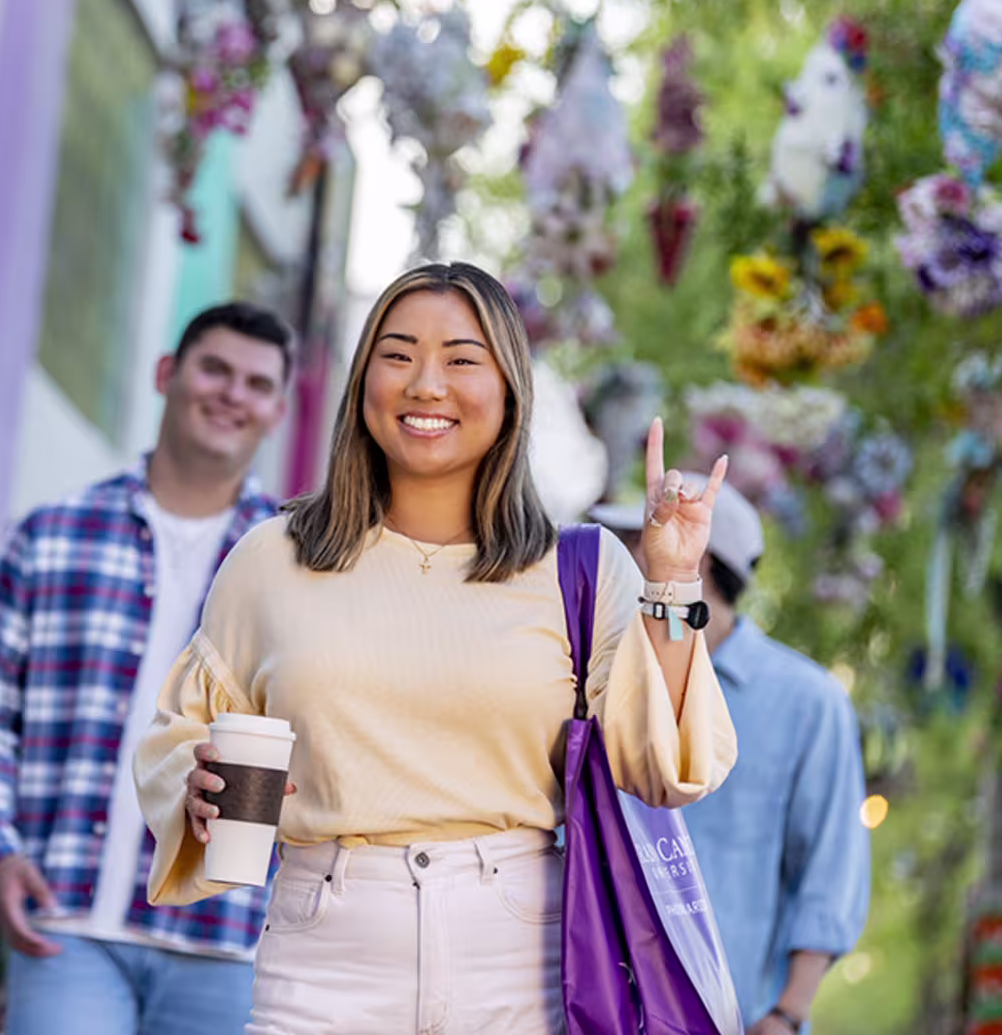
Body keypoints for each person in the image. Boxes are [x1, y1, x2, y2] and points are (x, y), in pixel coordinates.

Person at [134, 262, 740, 1035]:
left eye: (461, 359)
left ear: (510, 388)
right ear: (363, 383)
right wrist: (194, 784)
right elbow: (180, 732)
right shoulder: (272, 558)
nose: (426, 383)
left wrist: (675, 580)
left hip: (522, 960)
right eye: (397, 354)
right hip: (324, 959)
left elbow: (666, 768)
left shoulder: (579, 570)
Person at [0, 302, 295, 1035]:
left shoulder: (294, 573)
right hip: (67, 922)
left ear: (278, 410)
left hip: (228, 937)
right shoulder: (51, 535)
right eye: (215, 369)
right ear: (168, 374)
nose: (232, 394)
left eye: (257, 384)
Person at [592, 483, 870, 1034]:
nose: (617, 557)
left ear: (702, 559)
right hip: (602, 1007)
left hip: (733, 1015)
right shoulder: (605, 683)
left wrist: (788, 1013)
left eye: (635, 539)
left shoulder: (807, 701)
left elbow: (830, 871)